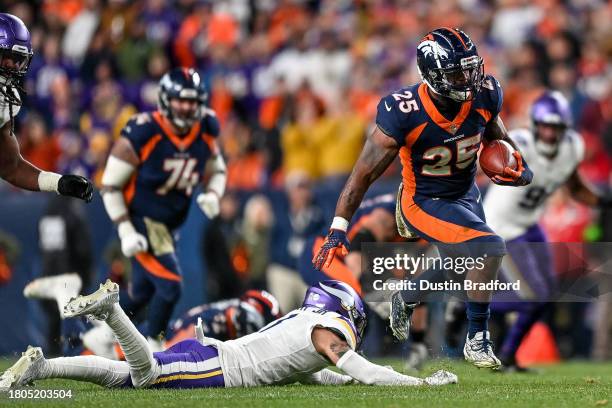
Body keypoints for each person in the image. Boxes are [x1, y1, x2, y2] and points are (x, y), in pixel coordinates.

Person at [312, 27, 533, 369]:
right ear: (433, 75)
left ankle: (407, 296)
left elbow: (496, 136)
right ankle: (477, 339)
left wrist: (518, 165)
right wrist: (338, 227)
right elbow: (362, 174)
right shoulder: (404, 111)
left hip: (465, 194)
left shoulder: (485, 94)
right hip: (423, 201)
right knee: (490, 248)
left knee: (462, 264)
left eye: (472, 68)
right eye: (458, 73)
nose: (469, 79)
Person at [0, 279, 457, 389]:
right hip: (219, 366)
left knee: (127, 375)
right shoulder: (328, 331)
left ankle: (44, 366)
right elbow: (361, 368)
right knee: (142, 375)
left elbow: (316, 374)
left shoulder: (310, 329)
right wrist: (420, 383)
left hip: (213, 354)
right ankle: (113, 310)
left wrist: (350, 377)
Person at [482, 91, 612, 371]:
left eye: (555, 127)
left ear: (565, 127)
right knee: (535, 295)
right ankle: (475, 307)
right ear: (534, 124)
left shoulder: (572, 147)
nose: (550, 133)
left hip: (530, 222)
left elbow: (575, 187)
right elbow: (486, 154)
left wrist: (603, 200)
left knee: (547, 295)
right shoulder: (519, 143)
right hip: (502, 226)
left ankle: (508, 357)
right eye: (545, 126)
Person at [100, 67, 227, 348]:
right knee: (170, 287)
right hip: (143, 219)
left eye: (192, 101)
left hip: (170, 225)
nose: (186, 107)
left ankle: (99, 333)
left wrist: (214, 194)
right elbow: (109, 185)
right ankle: (153, 346)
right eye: (181, 100)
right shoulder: (144, 130)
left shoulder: (205, 127)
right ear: (166, 100)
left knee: (143, 291)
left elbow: (218, 169)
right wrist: (125, 230)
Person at [23, 272, 280, 358]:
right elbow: (176, 345)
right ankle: (64, 291)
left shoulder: (232, 309)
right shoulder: (237, 317)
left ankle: (68, 294)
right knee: (76, 354)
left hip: (153, 331)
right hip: (151, 340)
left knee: (81, 348)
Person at [0, 13, 93, 201]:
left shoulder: (7, 100)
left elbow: (12, 168)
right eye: (8, 58)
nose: (14, 67)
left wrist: (57, 183)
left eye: (19, 60)